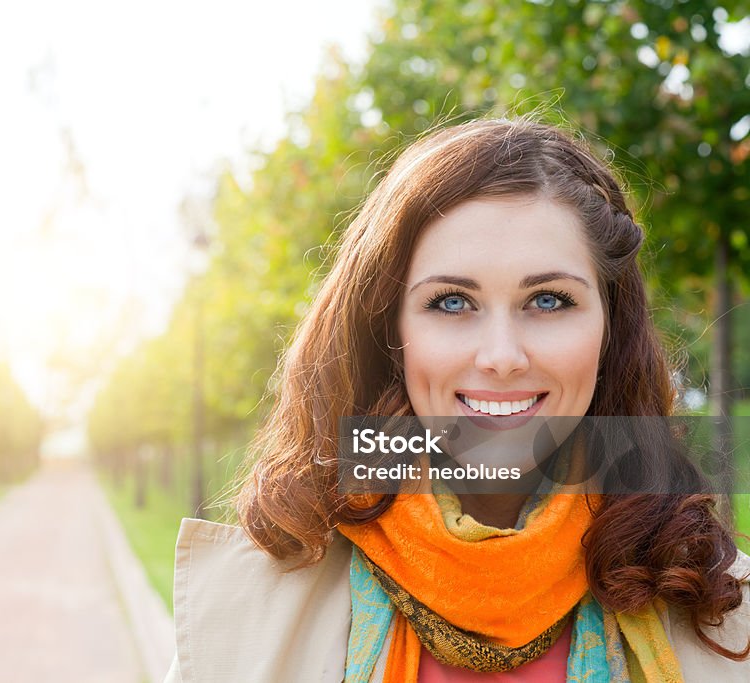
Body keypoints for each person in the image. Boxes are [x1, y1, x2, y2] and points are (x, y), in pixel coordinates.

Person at [162, 118, 750, 682]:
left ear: (609, 329)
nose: (501, 356)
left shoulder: (721, 613)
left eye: (548, 300)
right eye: (450, 302)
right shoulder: (240, 616)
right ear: (388, 333)